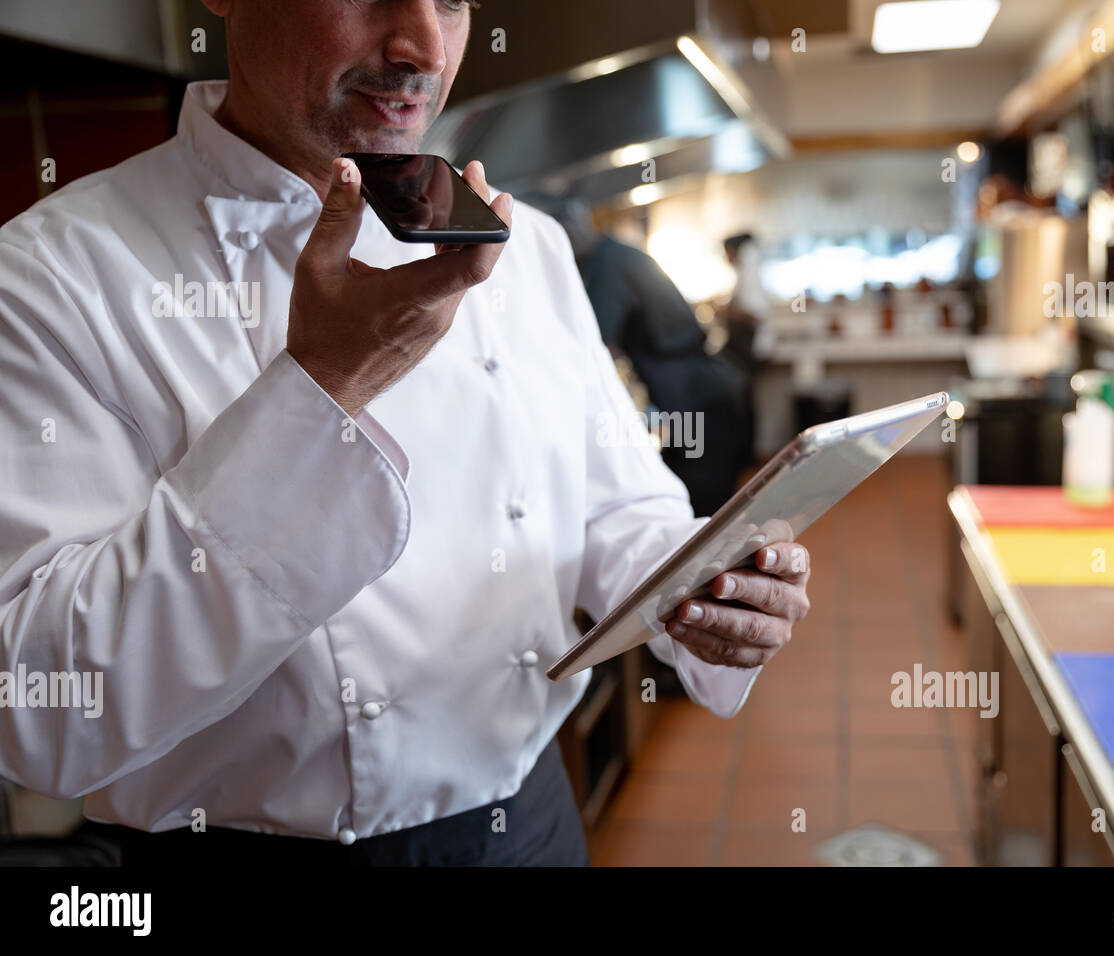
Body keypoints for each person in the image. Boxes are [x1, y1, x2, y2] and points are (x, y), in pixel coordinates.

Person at [0, 0, 812, 867]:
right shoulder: (53, 276)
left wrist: (704, 587)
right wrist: (321, 387)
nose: (423, 46)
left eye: (453, 0)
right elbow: (41, 715)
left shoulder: (524, 242)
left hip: (530, 828)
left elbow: (619, 514)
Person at [557, 200, 753, 515]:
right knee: (706, 502)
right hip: (702, 390)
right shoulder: (618, 255)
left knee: (700, 508)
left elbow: (596, 346)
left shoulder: (607, 265)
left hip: (692, 396)